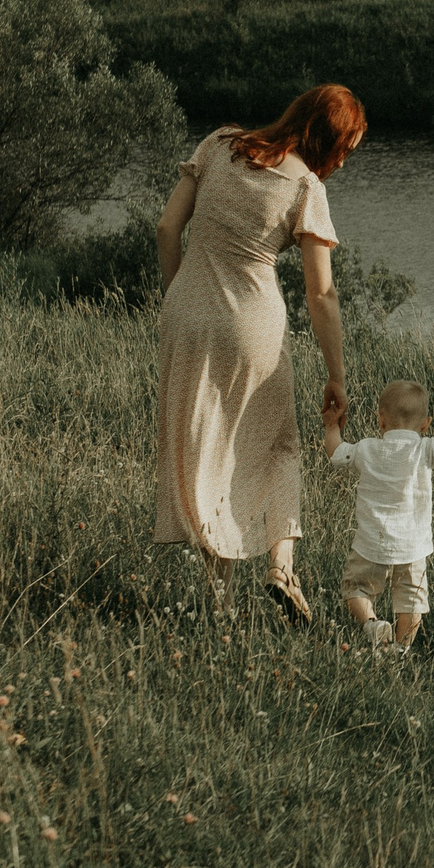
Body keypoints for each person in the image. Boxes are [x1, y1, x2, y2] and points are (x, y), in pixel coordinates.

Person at [154, 84, 365, 624]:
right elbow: (321, 294)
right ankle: (281, 566)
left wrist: (183, 296)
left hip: (186, 315)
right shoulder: (306, 187)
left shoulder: (219, 142)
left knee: (209, 448)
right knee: (280, 445)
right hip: (253, 328)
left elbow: (166, 228)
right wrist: (336, 375)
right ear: (333, 142)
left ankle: (218, 602)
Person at [322, 379, 434, 655]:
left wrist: (331, 426)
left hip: (370, 543)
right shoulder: (424, 450)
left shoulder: (366, 449)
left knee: (356, 589)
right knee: (411, 602)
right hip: (413, 546)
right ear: (426, 424)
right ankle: (401, 649)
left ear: (381, 420)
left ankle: (372, 625)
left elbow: (336, 453)